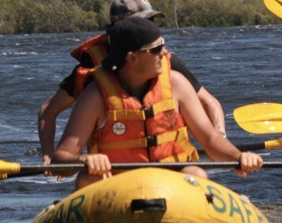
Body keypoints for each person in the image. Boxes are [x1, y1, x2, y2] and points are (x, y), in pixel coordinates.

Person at [53, 17, 262, 189]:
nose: (164, 53)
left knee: (196, 173)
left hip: (170, 180)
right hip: (118, 186)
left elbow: (210, 140)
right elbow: (61, 158)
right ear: (132, 58)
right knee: (89, 179)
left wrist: (239, 156)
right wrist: (84, 160)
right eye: (156, 48)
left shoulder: (177, 84)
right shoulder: (96, 96)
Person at [38, 0, 226, 165]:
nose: (149, 27)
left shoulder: (161, 60)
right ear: (117, 25)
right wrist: (48, 154)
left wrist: (219, 139)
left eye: (151, 21)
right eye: (142, 21)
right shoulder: (92, 66)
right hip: (114, 170)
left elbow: (210, 102)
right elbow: (48, 111)